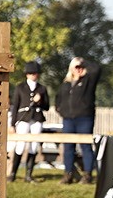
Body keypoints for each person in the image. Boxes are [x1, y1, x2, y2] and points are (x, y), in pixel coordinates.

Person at [55, 56, 101, 184]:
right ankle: (68, 174)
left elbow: (97, 69)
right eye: (76, 67)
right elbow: (58, 99)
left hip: (84, 118)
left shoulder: (88, 81)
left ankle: (87, 175)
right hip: (68, 119)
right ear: (71, 69)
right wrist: (62, 111)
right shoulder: (65, 84)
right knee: (68, 147)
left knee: (85, 146)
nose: (79, 69)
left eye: (81, 67)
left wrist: (83, 61)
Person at [9, 61, 49, 182]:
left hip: (36, 118)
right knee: (20, 145)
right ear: (27, 74)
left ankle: (28, 175)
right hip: (24, 118)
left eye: (35, 73)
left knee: (33, 146)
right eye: (31, 73)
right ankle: (13, 173)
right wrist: (12, 123)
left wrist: (40, 101)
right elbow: (15, 106)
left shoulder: (42, 88)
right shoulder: (20, 87)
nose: (33, 75)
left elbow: (47, 106)